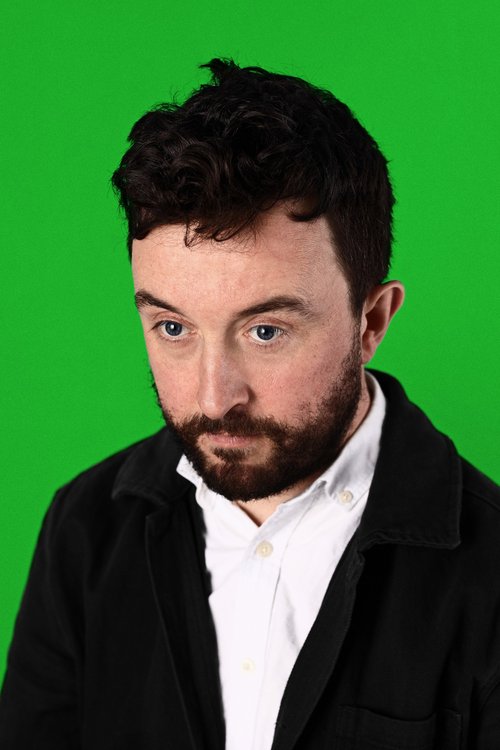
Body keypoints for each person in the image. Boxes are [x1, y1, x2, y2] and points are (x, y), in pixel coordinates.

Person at [0, 57, 499, 750]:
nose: (213, 398)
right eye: (172, 328)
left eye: (265, 331)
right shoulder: (84, 530)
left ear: (372, 321)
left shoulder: (491, 574)